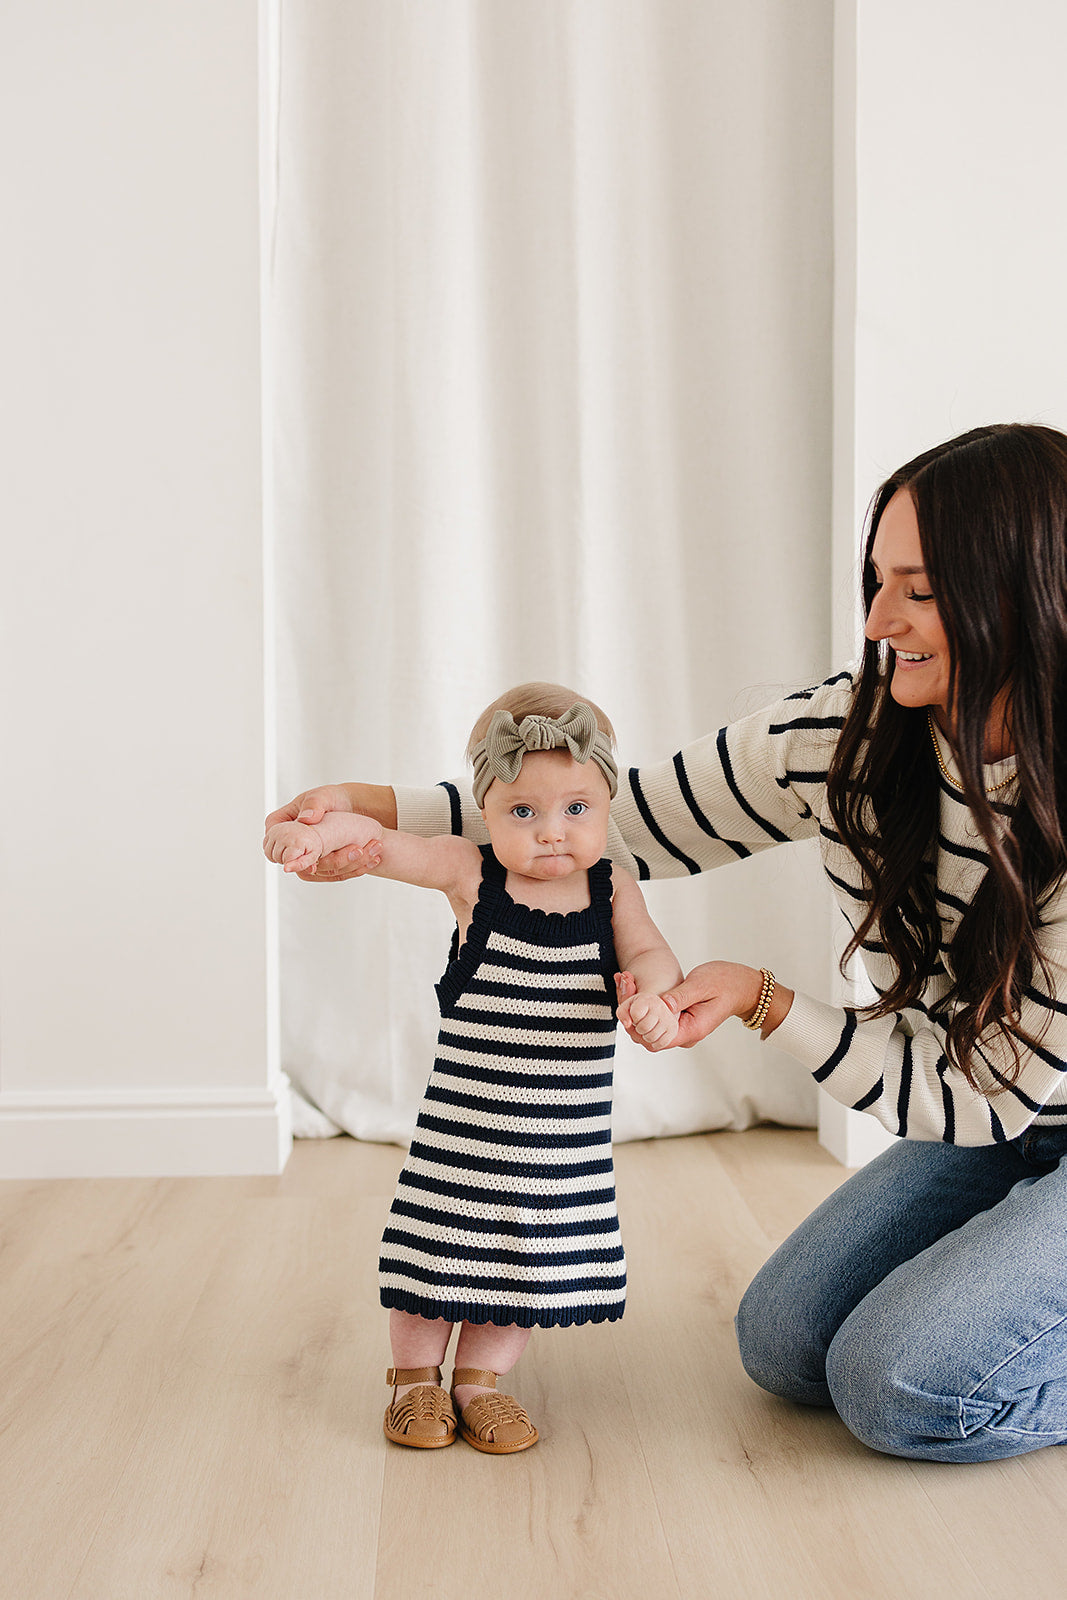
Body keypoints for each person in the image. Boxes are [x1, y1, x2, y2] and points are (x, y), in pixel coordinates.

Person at [268, 423, 1067, 1464]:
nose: (876, 621)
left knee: (899, 1387)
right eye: (876, 581)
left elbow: (981, 1096)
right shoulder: (843, 734)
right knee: (784, 1346)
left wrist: (761, 999)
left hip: (995, 1102)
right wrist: (368, 810)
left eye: (917, 591)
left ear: (1021, 592)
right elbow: (615, 819)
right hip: (998, 1124)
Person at [265, 684, 682, 1453]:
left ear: (607, 805)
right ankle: (414, 1381)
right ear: (482, 811)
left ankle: (478, 1385)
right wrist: (321, 835)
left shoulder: (612, 889)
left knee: (523, 1273)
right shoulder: (471, 874)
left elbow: (652, 953)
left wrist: (655, 996)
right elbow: (388, 846)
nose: (551, 832)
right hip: (464, 1136)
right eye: (523, 811)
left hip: (557, 1147)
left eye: (577, 809)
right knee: (435, 1258)